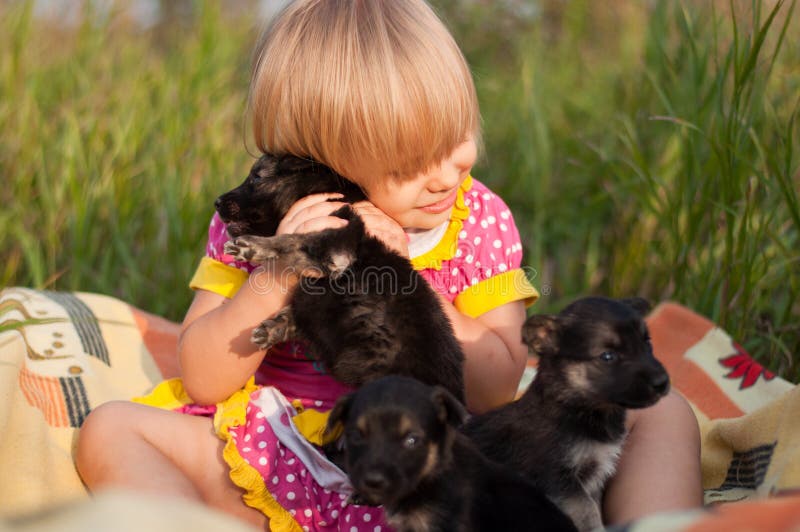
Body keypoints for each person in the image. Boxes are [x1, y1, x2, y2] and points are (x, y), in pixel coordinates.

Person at [76, 1, 702, 530]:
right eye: (408, 164)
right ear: (324, 160)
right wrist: (276, 278)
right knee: (110, 430)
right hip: (290, 452)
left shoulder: (475, 218)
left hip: (443, 461)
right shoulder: (268, 223)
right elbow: (205, 377)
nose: (446, 174)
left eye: (456, 135)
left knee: (658, 414)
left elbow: (496, 386)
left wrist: (407, 280)